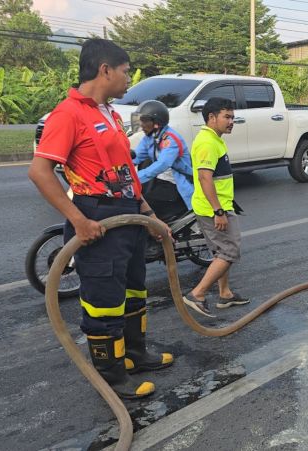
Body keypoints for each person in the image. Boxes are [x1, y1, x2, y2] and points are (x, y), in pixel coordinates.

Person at [28, 38, 172, 399]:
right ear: (104, 70)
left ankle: (135, 355)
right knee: (104, 299)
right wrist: (78, 220)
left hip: (129, 215)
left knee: (134, 289)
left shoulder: (109, 112)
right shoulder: (68, 114)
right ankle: (112, 374)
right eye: (125, 72)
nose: (128, 80)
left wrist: (148, 214)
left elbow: (124, 171)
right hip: (98, 219)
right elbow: (40, 171)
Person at [182, 97, 250, 317]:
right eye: (227, 117)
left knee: (222, 251)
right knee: (230, 251)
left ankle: (225, 294)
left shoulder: (215, 139)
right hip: (214, 209)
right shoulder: (207, 142)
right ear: (211, 117)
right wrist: (218, 211)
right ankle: (197, 294)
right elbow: (204, 178)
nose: (231, 121)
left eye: (233, 117)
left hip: (221, 204)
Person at [132, 100, 194, 221]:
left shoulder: (171, 139)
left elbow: (162, 164)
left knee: (144, 206)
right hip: (160, 181)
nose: (141, 124)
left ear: (157, 123)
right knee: (133, 198)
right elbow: (137, 156)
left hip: (176, 185)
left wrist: (135, 178)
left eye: (145, 121)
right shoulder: (150, 137)